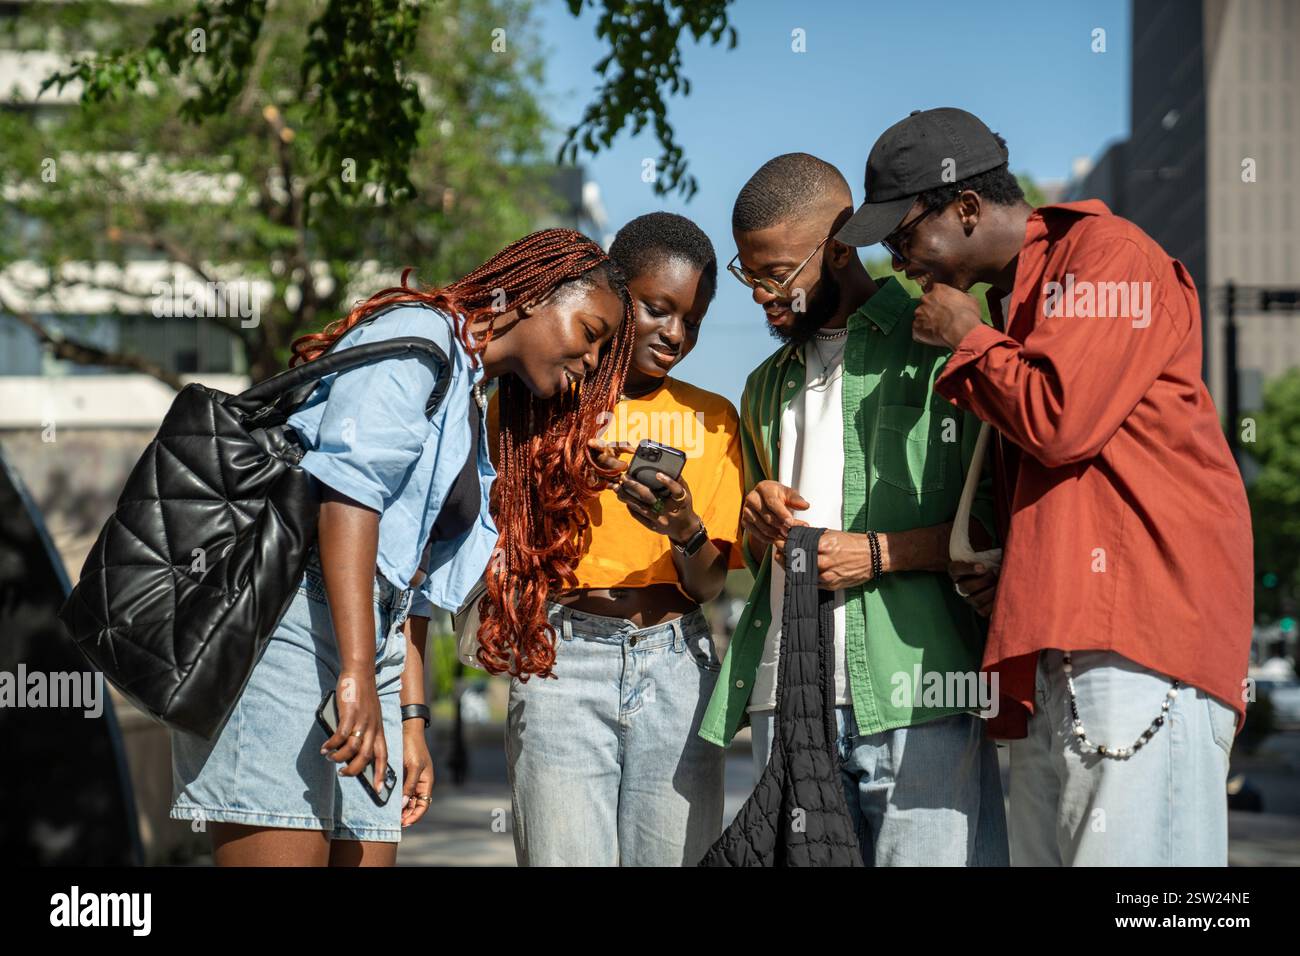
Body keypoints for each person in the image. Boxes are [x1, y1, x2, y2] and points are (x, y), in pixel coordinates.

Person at [838, 107, 1251, 866]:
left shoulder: (1109, 256)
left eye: (903, 238)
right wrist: (1009, 566)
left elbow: (1062, 420)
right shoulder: (1016, 302)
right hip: (1067, 647)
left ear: (965, 206)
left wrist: (968, 338)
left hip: (1138, 644)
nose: (901, 263)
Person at [170, 229, 635, 866]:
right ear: (533, 295)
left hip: (370, 642)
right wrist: (356, 672)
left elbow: (409, 576)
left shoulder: (471, 396)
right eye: (589, 332)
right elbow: (348, 497)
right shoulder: (420, 341)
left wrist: (409, 717)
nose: (590, 361)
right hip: (288, 628)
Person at [699, 153, 1009, 866]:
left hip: (919, 694)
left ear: (838, 250)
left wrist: (876, 553)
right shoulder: (763, 385)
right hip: (788, 699)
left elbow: (999, 529)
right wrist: (758, 514)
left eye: (776, 273)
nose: (760, 296)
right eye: (750, 275)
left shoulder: (938, 345)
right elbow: (755, 560)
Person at [489, 212, 745, 866]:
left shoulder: (713, 419)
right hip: (561, 665)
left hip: (677, 665)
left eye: (693, 320)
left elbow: (710, 582)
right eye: (660, 309)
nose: (677, 334)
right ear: (615, 291)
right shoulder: (534, 398)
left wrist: (684, 527)